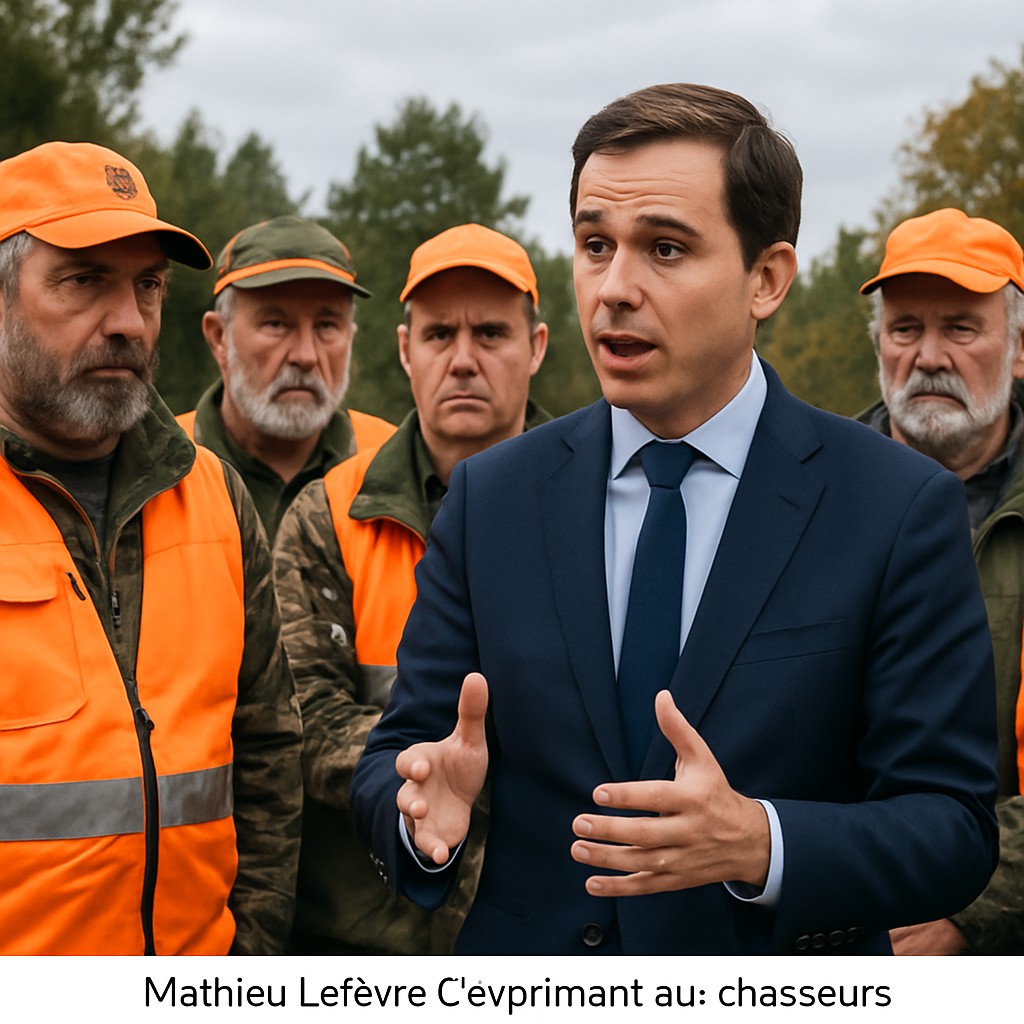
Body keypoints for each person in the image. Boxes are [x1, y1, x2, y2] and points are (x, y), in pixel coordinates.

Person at [350, 83, 1000, 955]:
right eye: (595, 245)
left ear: (767, 278)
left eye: (665, 248)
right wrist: (416, 809)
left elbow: (953, 830)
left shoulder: (894, 507)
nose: (614, 289)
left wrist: (762, 842)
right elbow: (402, 751)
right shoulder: (492, 499)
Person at [0, 141, 302, 955]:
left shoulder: (214, 497)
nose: (129, 321)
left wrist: (248, 963)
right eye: (83, 280)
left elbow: (268, 755)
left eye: (148, 286)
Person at [274, 223, 549, 953]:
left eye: (490, 334)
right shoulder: (329, 514)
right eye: (438, 335)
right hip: (360, 944)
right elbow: (303, 719)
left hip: (545, 940)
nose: (462, 360)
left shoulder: (604, 505)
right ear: (404, 349)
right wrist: (436, 771)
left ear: (537, 347)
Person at [857, 207, 1024, 954]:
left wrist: (968, 910)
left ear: (1019, 348)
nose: (928, 356)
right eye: (905, 329)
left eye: (960, 328)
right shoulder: (799, 499)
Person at [179, 215, 395, 542]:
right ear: (219, 337)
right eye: (276, 324)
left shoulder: (394, 466)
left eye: (326, 326)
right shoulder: (161, 468)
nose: (306, 356)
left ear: (351, 336)